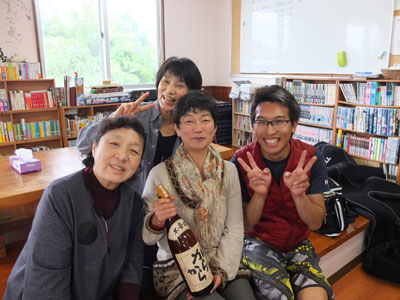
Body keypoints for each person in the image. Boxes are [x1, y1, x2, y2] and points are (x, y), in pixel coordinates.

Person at [4, 116, 146, 300]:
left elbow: (132, 263)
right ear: (94, 148)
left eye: (134, 151)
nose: (122, 156)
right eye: (114, 144)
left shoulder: (134, 202)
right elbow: (46, 282)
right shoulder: (61, 196)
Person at [142, 90, 256, 300]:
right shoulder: (159, 174)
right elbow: (148, 238)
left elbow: (235, 227)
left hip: (220, 256)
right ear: (177, 128)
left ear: (214, 129)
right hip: (177, 266)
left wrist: (220, 270)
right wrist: (157, 220)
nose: (197, 128)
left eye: (205, 120)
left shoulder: (228, 171)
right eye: (188, 121)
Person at [232, 85, 334, 300]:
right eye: (262, 122)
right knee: (280, 296)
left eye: (279, 121)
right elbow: (247, 225)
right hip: (256, 242)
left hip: (298, 242)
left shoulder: (311, 159)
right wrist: (259, 194)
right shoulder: (240, 162)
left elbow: (315, 223)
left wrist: (299, 195)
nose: (270, 131)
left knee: (316, 297)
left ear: (294, 125)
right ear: (253, 125)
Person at [76, 56, 202, 195]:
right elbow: (83, 145)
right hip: (129, 201)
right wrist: (113, 119)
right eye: (166, 81)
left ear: (190, 93)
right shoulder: (135, 113)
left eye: (179, 85)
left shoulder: (190, 126)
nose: (170, 90)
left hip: (168, 202)